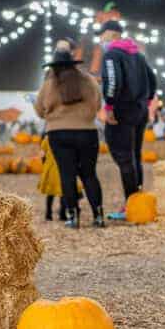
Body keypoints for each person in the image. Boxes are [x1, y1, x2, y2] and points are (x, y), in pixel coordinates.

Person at [34, 50, 105, 228]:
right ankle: (98, 216)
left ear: (54, 67)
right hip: (87, 131)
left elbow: (39, 111)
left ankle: (73, 217)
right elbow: (98, 105)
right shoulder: (89, 80)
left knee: (67, 175)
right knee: (89, 174)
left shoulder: (49, 84)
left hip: (59, 133)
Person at [97, 20, 156, 221]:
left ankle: (132, 205)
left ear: (112, 34)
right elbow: (152, 79)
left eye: (102, 35)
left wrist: (109, 106)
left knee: (123, 157)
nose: (101, 39)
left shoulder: (112, 54)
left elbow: (113, 81)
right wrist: (147, 100)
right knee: (135, 156)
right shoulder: (138, 55)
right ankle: (138, 201)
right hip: (140, 110)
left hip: (122, 110)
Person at [37, 135, 67, 222]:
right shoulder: (63, 137)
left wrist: (44, 164)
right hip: (62, 167)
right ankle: (62, 213)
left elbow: (42, 155)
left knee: (50, 193)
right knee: (63, 191)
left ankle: (48, 213)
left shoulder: (47, 139)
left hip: (50, 168)